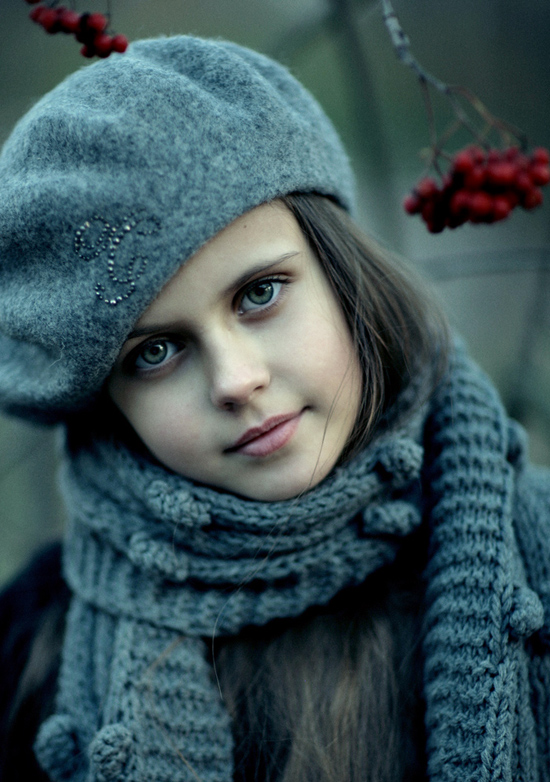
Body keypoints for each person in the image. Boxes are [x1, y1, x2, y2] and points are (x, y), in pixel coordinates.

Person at [0, 34, 549, 782]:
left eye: (260, 294)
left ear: (341, 271)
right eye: (154, 353)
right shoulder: (32, 646)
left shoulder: (533, 553)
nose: (236, 380)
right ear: (107, 403)